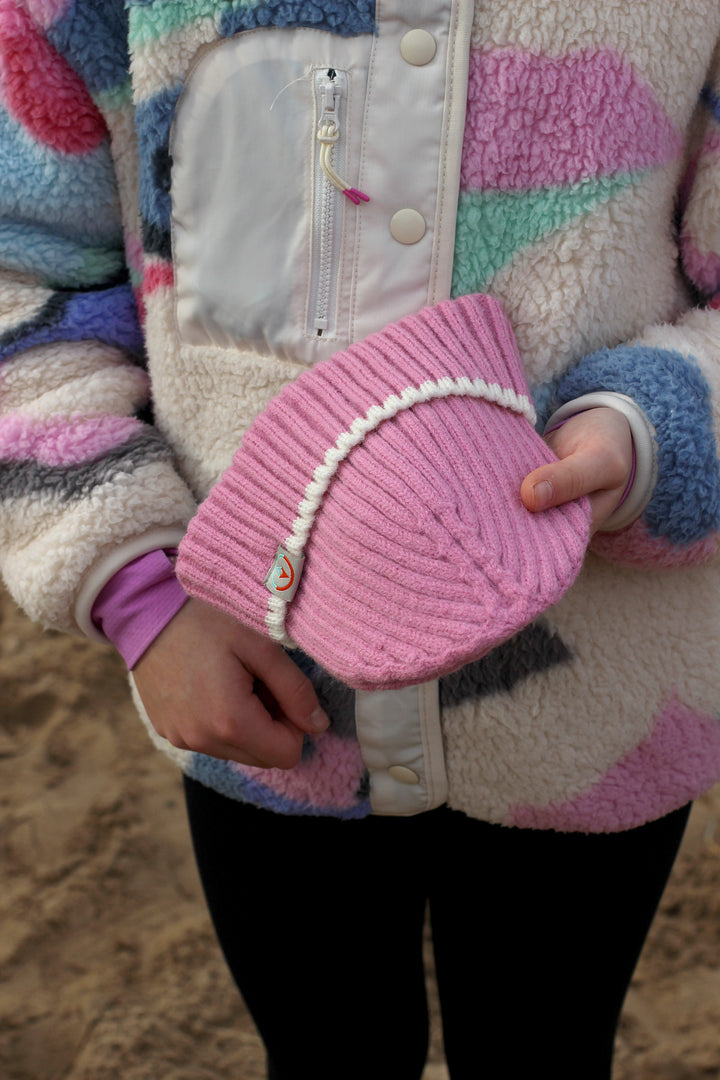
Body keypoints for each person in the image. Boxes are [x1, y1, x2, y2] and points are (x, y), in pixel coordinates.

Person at [1, 1, 719, 1076]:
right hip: (256, 702)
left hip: (594, 710)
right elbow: (31, 272)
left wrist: (653, 431)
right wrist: (139, 594)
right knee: (328, 1051)